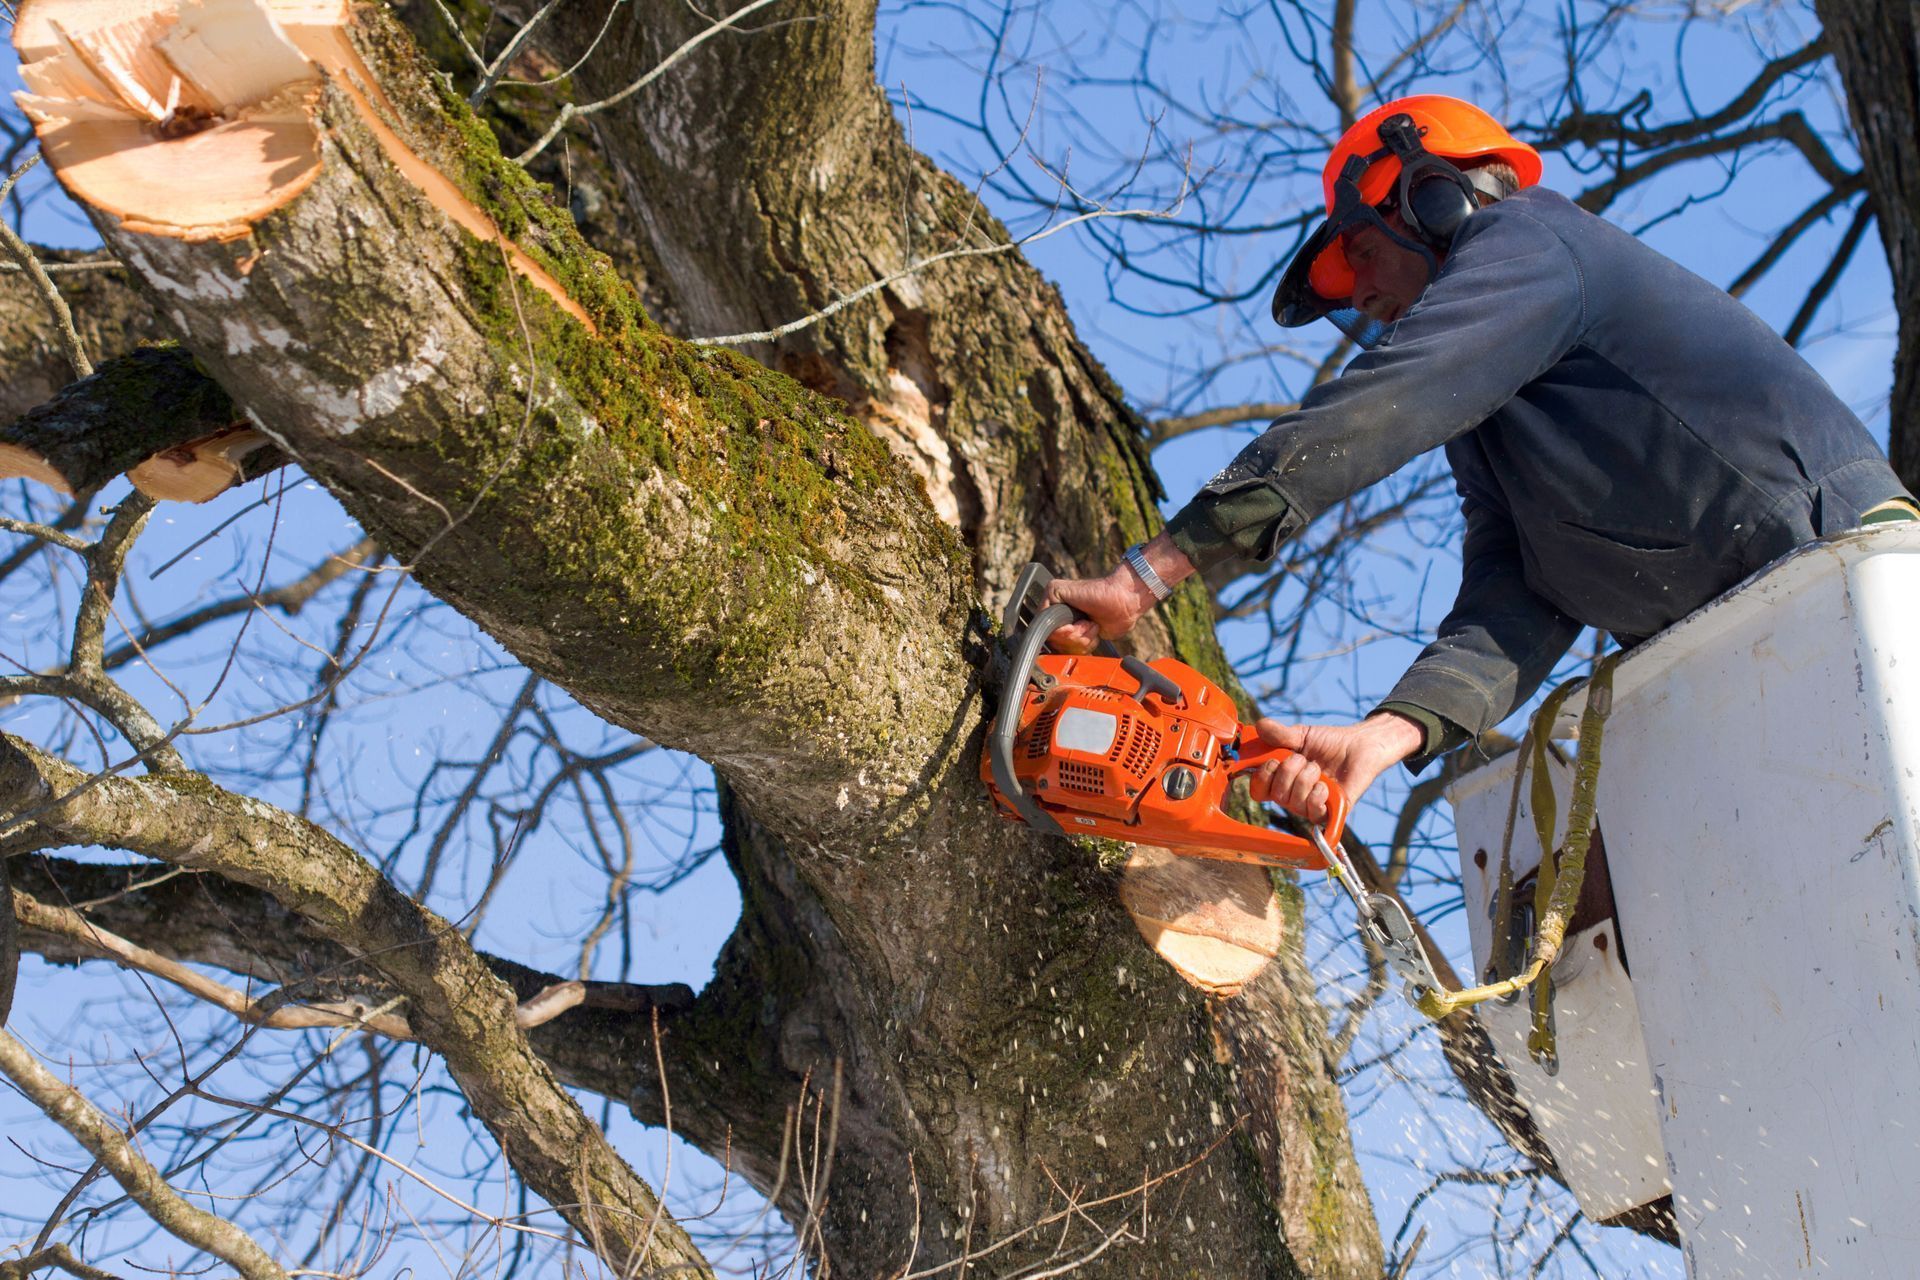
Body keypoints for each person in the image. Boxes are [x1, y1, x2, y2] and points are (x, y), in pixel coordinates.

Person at [1044, 94, 1916, 823]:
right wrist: (1385, 737)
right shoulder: (1491, 415)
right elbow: (1520, 593)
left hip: (1840, 572)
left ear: (1433, 200)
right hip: (1741, 651)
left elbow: (1387, 401)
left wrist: (1147, 575)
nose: (1371, 300)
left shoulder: (1534, 242)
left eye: (1363, 256)